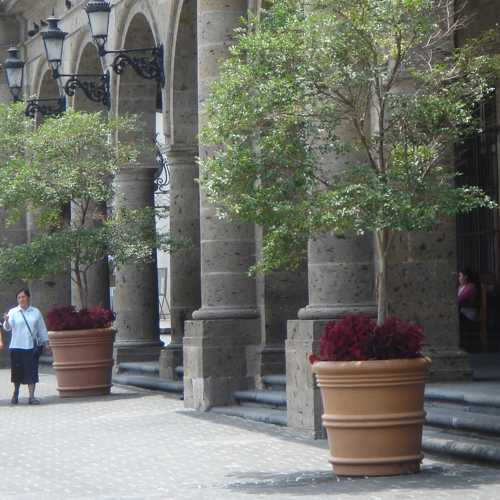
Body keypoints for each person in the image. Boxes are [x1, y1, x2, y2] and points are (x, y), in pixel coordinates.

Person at [2, 288, 49, 405]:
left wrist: (46, 342)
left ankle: (31, 397)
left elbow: (41, 328)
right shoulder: (13, 312)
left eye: (23, 297)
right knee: (17, 372)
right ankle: (16, 393)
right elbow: (7, 327)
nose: (21, 299)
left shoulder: (35, 312)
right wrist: (6, 321)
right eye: (19, 297)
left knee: (32, 372)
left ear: (28, 297)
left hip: (31, 347)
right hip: (17, 346)